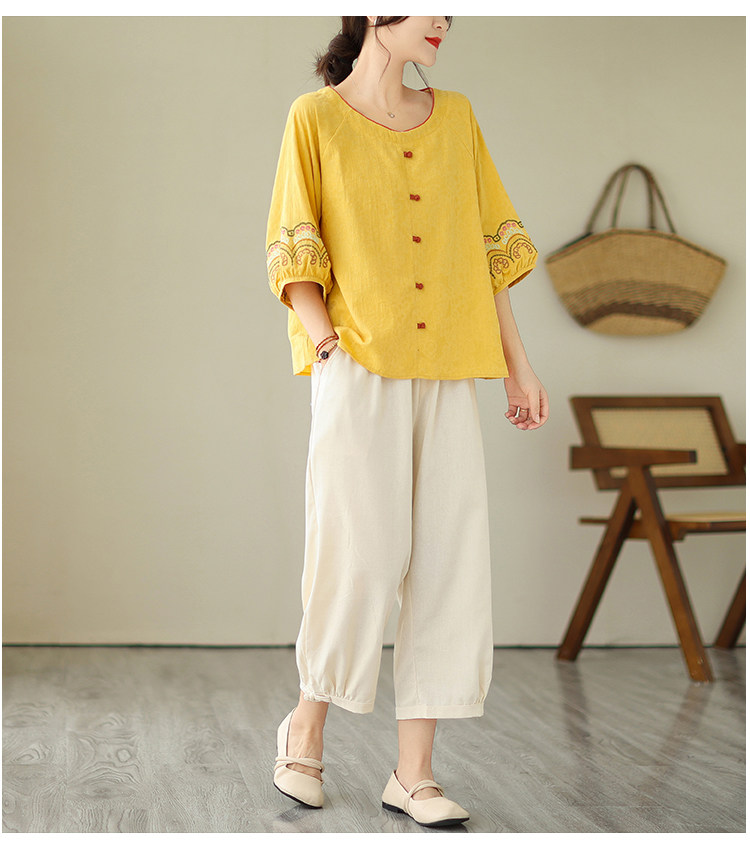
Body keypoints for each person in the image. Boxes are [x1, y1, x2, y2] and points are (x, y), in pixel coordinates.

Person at [265, 16, 549, 827]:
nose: (444, 19)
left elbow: (488, 256)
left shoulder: (455, 117)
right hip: (358, 362)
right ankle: (304, 732)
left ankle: (414, 773)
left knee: (450, 561)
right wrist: (326, 345)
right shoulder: (314, 119)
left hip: (451, 365)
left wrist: (518, 365)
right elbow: (295, 242)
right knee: (356, 556)